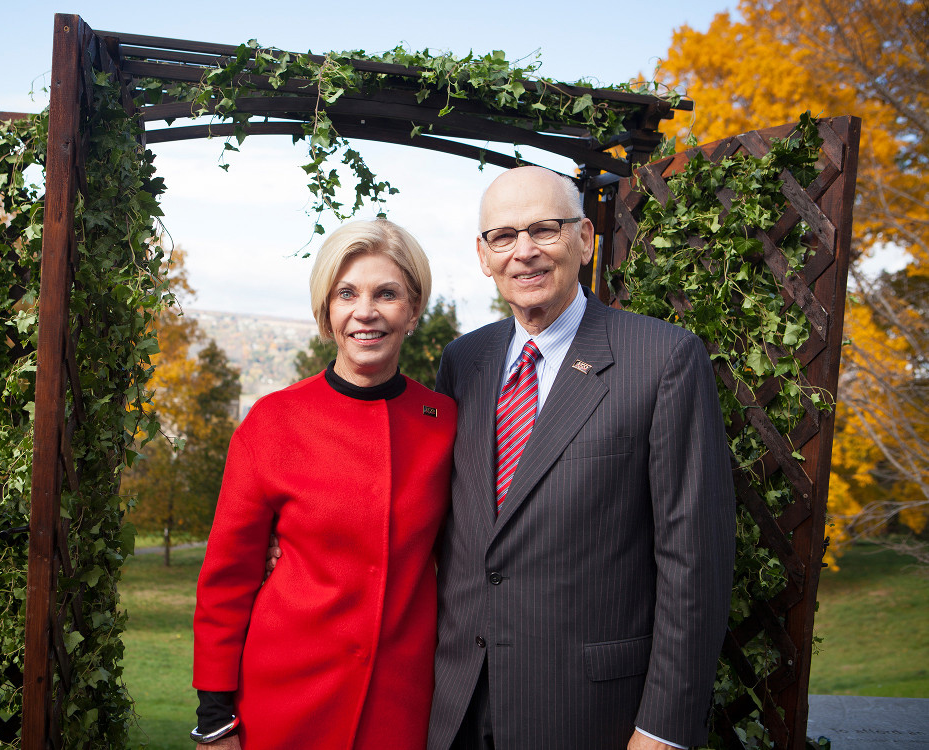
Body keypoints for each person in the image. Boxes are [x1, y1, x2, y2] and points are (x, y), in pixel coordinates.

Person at [427, 166, 736, 750]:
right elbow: (437, 514)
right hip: (458, 707)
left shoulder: (662, 358)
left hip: (586, 712)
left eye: (544, 230)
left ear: (585, 239)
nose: (524, 252)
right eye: (503, 236)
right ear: (484, 255)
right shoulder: (463, 361)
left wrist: (663, 729)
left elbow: (695, 561)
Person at [190, 218, 457, 749]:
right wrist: (215, 717)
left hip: (400, 710)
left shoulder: (445, 423)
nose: (366, 311)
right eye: (346, 294)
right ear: (326, 312)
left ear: (413, 310)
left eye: (387, 294)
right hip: (281, 703)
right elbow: (227, 579)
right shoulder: (272, 423)